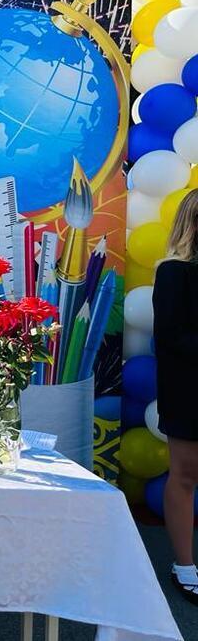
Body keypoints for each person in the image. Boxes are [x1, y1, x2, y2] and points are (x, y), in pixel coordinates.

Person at [153, 188, 198, 605]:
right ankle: (184, 567)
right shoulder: (173, 272)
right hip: (188, 392)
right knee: (185, 476)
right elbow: (170, 336)